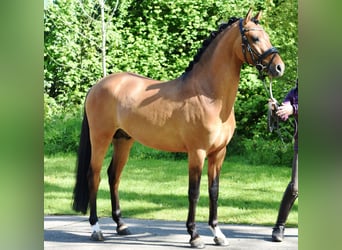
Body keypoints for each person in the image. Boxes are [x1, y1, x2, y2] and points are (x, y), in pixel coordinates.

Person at [269, 79, 298, 242]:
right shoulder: (293, 93)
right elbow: (284, 115)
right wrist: (276, 110)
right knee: (295, 187)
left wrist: (293, 109)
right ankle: (279, 226)